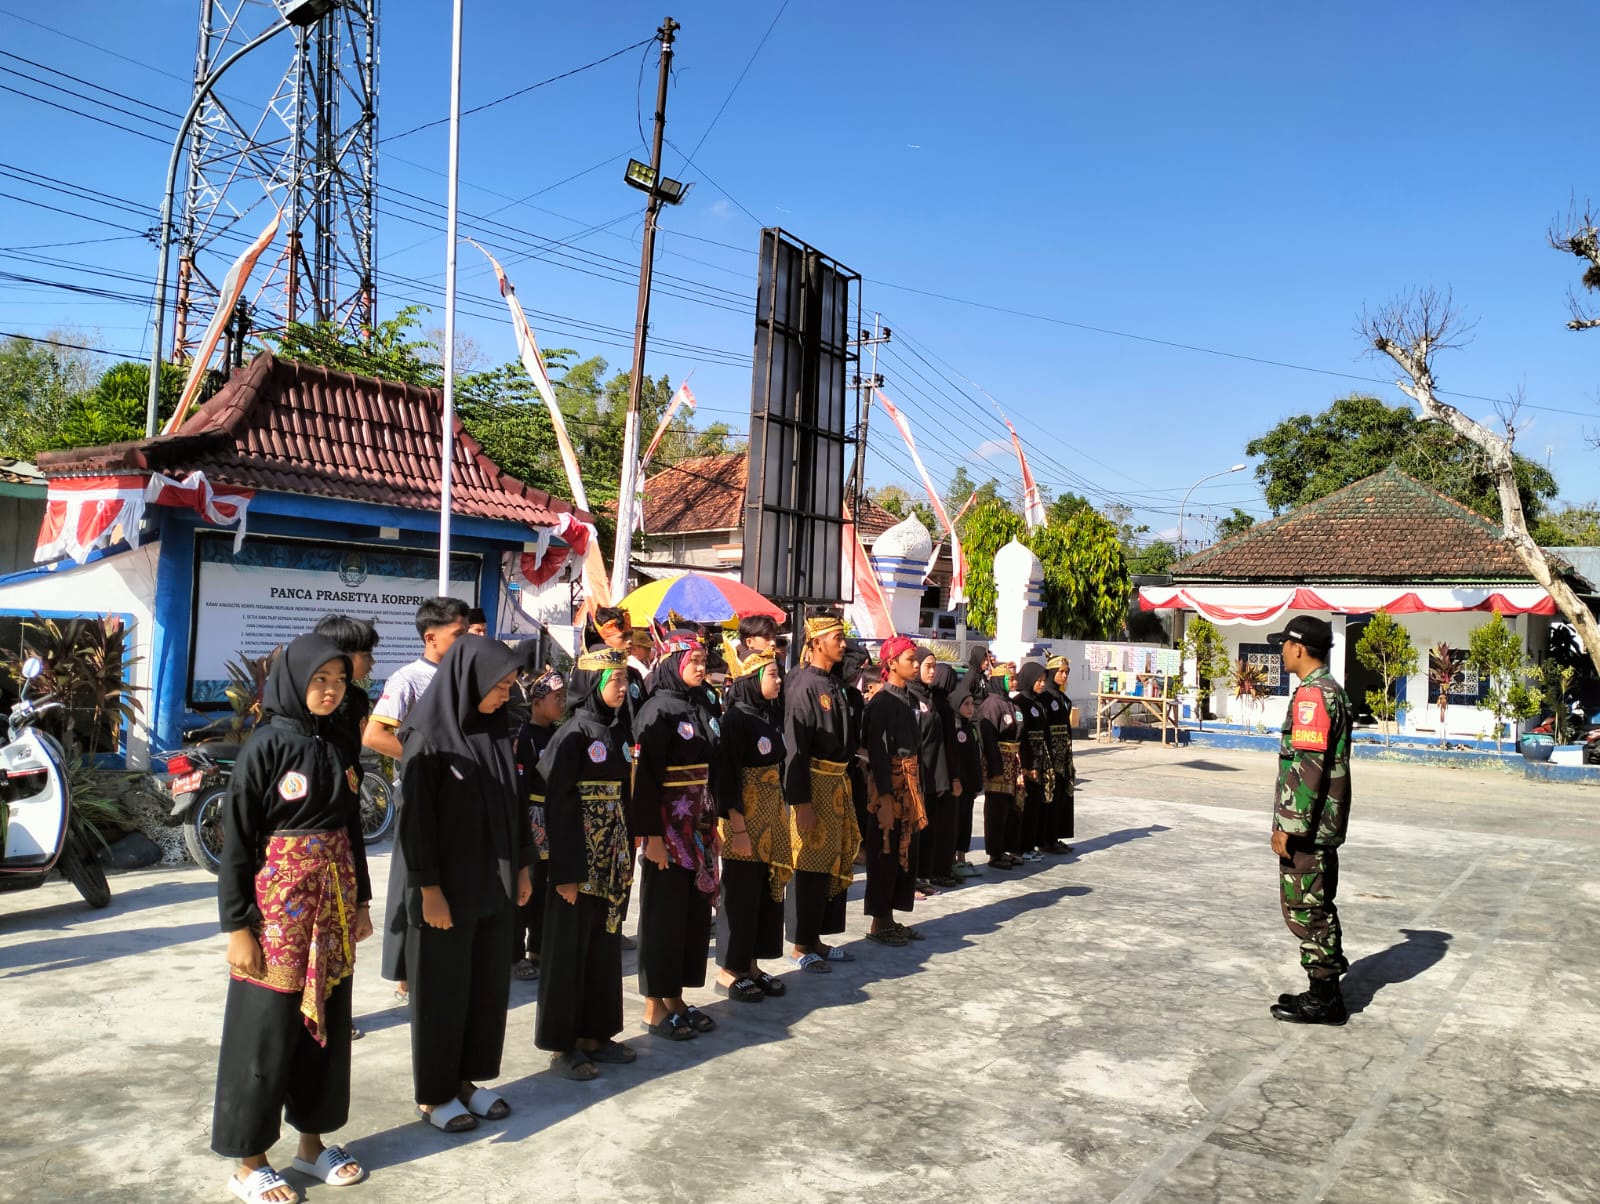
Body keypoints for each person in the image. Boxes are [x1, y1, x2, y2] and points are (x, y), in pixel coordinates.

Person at [212, 634, 371, 1201]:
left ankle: (311, 1145)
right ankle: (250, 1162)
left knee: (323, 1025)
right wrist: (237, 926)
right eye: (319, 680)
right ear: (295, 680)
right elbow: (238, 844)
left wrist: (360, 903)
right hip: (275, 914)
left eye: (339, 681)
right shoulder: (265, 747)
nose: (330, 691)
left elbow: (351, 830)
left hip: (331, 905)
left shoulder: (339, 744)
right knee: (265, 1032)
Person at [397, 635, 532, 1133]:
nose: (505, 696)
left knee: (482, 989)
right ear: (470, 679)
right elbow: (416, 823)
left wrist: (521, 866)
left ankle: (466, 1082)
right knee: (442, 991)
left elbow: (515, 804)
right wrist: (428, 888)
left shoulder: (496, 732)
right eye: (500, 686)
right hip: (445, 891)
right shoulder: (426, 735)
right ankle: (434, 1095)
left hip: (492, 883)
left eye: (510, 686)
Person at [535, 647, 638, 1079]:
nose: (622, 687)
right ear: (593, 683)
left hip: (611, 860)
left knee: (602, 946)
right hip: (578, 863)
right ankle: (563, 1045)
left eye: (623, 679)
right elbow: (552, 805)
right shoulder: (572, 734)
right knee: (568, 952)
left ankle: (597, 1033)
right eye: (614, 679)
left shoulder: (615, 731)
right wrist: (565, 872)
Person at [364, 596, 470, 999]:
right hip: (418, 792)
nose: (464, 643)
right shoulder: (407, 679)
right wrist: (428, 759)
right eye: (457, 635)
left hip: (459, 797)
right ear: (431, 637)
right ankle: (406, 970)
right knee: (413, 881)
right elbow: (374, 735)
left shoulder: (463, 677)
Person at [632, 631, 720, 1039]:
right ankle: (654, 1006)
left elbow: (709, 770)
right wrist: (650, 837)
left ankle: (676, 996)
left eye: (704, 659)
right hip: (667, 825)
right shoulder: (656, 710)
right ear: (671, 663)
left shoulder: (699, 704)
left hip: (698, 821)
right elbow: (644, 779)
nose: (701, 666)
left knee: (692, 914)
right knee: (663, 914)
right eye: (693, 660)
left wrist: (713, 824)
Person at [1266, 616, 1353, 1026]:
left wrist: (1289, 825)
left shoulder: (1312, 697)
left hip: (1309, 826)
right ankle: (1324, 986)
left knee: (1306, 907)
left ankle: (1325, 997)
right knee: (1315, 902)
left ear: (1299, 648)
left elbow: (1308, 767)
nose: (1280, 650)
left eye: (1283, 644)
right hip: (1322, 823)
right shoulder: (1327, 691)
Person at [782, 613, 863, 973]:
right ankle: (801, 944)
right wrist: (801, 802)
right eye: (836, 637)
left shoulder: (834, 684)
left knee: (831, 861)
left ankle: (817, 936)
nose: (842, 644)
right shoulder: (802, 685)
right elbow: (794, 747)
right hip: (813, 783)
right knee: (808, 864)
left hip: (836, 783)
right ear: (815, 642)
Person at [713, 642, 791, 1002]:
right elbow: (726, 779)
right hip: (744, 822)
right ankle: (731, 969)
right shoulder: (734, 721)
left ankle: (753, 964)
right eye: (772, 674)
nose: (778, 680)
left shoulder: (768, 715)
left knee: (765, 892)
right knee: (740, 894)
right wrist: (738, 828)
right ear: (751, 679)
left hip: (771, 820)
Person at [861, 636, 929, 946]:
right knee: (885, 850)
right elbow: (877, 753)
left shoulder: (910, 700)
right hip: (889, 789)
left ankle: (890, 916)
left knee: (905, 853)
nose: (915, 665)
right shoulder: (881, 703)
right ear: (891, 664)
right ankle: (879, 921)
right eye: (910, 660)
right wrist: (886, 799)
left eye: (916, 660)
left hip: (910, 785)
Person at [512, 668, 566, 982]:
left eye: (563, 697)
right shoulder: (525, 737)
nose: (561, 702)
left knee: (547, 887)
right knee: (527, 887)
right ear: (536, 702)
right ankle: (516, 954)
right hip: (533, 816)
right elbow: (520, 787)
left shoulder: (560, 733)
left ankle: (539, 948)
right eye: (554, 697)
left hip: (555, 815)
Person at [977, 669, 1024, 870]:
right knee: (997, 809)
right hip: (998, 762)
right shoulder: (991, 705)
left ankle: (1009, 848)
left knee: (1014, 807)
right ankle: (995, 853)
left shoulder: (1011, 703)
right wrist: (995, 766)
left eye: (1015, 678)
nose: (1014, 682)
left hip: (1013, 762)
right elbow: (988, 737)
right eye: (1010, 679)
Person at [1012, 663, 1054, 861]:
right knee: (1025, 803)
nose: (1042, 684)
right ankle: (1021, 846)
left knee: (1037, 803)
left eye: (1044, 680)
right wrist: (1028, 765)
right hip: (1028, 758)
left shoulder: (1038, 702)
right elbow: (1022, 735)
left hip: (1041, 756)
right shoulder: (1020, 702)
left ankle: (1032, 843)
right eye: (1038, 680)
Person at [949, 675, 985, 879]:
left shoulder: (971, 728)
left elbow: (976, 756)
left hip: (969, 785)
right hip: (957, 786)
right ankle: (952, 859)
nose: (970, 708)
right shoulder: (954, 728)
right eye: (966, 704)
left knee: (966, 823)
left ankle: (962, 857)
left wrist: (977, 783)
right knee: (955, 823)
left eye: (972, 704)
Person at [1041, 655, 1077, 854]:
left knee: (1063, 794)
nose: (1064, 675)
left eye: (1066, 672)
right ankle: (1046, 838)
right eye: (1061, 672)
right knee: (1050, 795)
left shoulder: (1063, 699)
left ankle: (1055, 836)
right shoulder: (1046, 697)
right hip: (1050, 753)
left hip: (1064, 753)